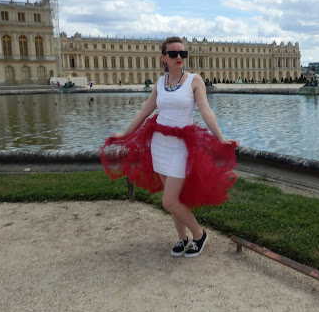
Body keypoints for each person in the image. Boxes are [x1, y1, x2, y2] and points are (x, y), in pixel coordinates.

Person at [100, 36, 238, 258]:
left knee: (169, 200)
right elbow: (145, 111)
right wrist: (125, 133)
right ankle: (182, 239)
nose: (179, 57)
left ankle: (199, 235)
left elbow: (206, 111)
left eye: (183, 54)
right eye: (173, 54)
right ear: (163, 57)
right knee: (174, 199)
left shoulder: (195, 80)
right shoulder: (160, 83)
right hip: (160, 145)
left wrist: (220, 138)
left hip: (181, 148)